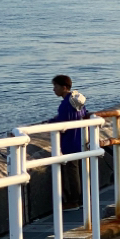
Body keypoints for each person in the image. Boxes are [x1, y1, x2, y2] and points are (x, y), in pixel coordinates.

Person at [49, 74, 87, 209]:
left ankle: (74, 200)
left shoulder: (65, 104)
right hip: (80, 139)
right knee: (79, 170)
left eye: (56, 86)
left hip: (70, 141)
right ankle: (82, 198)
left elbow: (63, 122)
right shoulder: (77, 100)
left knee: (72, 171)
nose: (54, 89)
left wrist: (50, 122)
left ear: (64, 87)